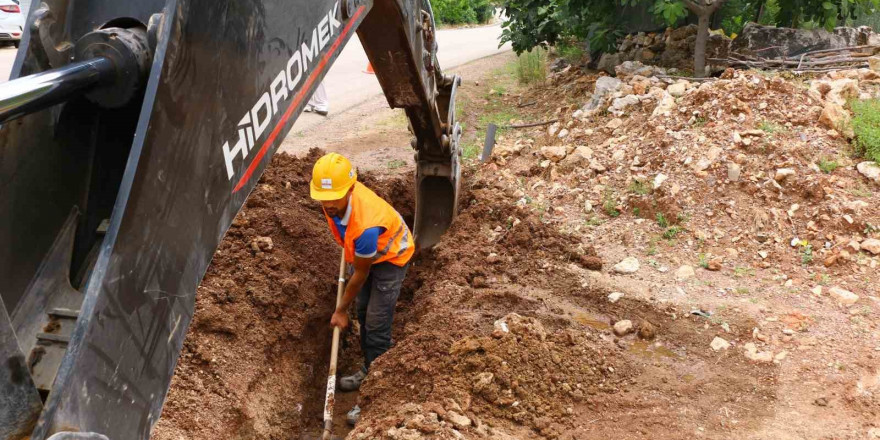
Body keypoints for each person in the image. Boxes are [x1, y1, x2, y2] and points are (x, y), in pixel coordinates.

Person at [309, 153, 414, 425]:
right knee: (365, 312)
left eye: (333, 198)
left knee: (377, 324)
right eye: (323, 197)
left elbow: (362, 273)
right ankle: (370, 368)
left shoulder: (366, 225)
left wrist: (341, 310)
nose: (328, 204)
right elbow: (350, 245)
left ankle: (375, 395)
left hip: (391, 258)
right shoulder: (333, 202)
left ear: (350, 189)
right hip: (367, 254)